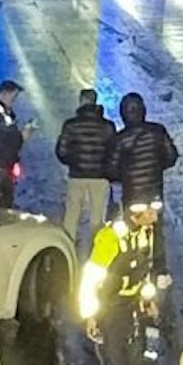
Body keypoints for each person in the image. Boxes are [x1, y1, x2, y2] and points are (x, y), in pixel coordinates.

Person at [79, 200, 170, 365]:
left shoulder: (145, 233)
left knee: (135, 362)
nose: (155, 218)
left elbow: (144, 272)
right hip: (110, 309)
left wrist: (148, 300)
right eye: (150, 213)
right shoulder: (110, 238)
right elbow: (91, 280)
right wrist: (90, 315)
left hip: (133, 306)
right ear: (135, 215)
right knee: (115, 363)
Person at [54, 89, 115, 256]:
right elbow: (113, 151)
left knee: (72, 215)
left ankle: (67, 250)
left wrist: (74, 162)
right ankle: (96, 252)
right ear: (95, 102)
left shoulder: (71, 125)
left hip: (77, 176)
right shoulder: (107, 126)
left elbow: (61, 151)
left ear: (81, 101)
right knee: (97, 218)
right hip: (100, 177)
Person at [108, 91, 179, 212]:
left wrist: (124, 176)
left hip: (132, 194)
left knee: (130, 225)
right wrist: (156, 167)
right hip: (155, 192)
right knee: (156, 221)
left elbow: (112, 168)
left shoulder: (120, 138)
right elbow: (171, 156)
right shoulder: (158, 130)